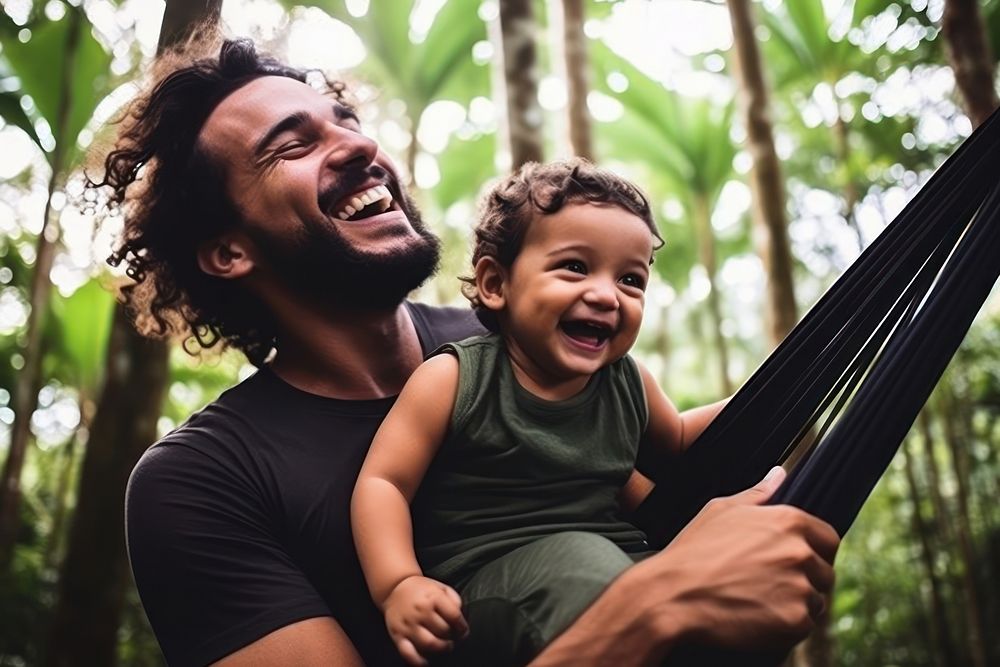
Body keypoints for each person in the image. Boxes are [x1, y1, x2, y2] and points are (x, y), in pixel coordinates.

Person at [105, 37, 839, 667]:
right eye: (294, 144)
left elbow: (642, 496)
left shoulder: (525, 347)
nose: (361, 145)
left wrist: (785, 423)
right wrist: (649, 606)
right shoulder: (200, 483)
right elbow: (652, 584)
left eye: (348, 120)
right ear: (228, 251)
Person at [352, 159, 733, 666]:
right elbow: (384, 485)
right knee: (589, 568)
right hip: (487, 589)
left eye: (630, 279)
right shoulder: (455, 379)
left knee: (713, 585)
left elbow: (680, 445)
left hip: (620, 564)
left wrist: (781, 401)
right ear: (495, 284)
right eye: (575, 266)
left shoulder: (628, 381)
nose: (605, 295)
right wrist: (399, 584)